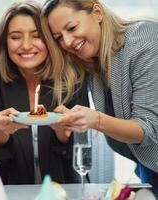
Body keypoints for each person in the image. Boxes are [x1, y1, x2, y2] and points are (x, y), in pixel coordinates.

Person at [41, 0, 158, 187]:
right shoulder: (92, 60)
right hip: (148, 166)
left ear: (97, 12)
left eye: (71, 27)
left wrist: (96, 120)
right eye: (59, 37)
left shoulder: (144, 41)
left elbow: (148, 129)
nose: (67, 42)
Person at [0, 1, 88, 185]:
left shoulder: (72, 76)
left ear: (49, 39)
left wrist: (63, 136)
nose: (26, 45)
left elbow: (81, 153)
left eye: (37, 36)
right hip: (10, 192)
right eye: (15, 37)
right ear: (6, 42)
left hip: (64, 190)